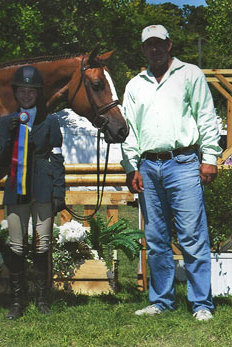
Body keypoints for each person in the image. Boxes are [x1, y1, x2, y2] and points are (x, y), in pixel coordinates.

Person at [121, 25, 222, 321]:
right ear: (143, 49)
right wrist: (131, 167)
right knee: (155, 237)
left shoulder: (190, 74)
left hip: (184, 163)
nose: (154, 49)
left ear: (169, 45)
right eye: (148, 45)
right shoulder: (135, 84)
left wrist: (211, 157)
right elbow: (129, 131)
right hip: (148, 167)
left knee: (192, 235)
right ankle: (162, 300)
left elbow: (206, 115)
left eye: (158, 43)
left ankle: (201, 302)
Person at [0, 65, 66, 319]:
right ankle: (17, 300)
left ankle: (42, 298)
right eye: (22, 90)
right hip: (16, 190)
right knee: (17, 245)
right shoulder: (6, 122)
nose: (26, 95)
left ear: (38, 93)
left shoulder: (50, 121)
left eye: (31, 90)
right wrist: (9, 134)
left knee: (42, 244)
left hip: (43, 189)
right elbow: (1, 159)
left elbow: (57, 157)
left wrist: (59, 190)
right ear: (16, 93)